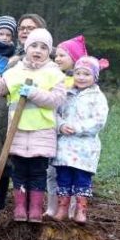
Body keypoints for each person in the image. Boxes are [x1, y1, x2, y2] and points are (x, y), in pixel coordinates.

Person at [0, 28, 66, 223]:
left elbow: (57, 99)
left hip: (41, 132)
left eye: (44, 47)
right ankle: (20, 207)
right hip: (17, 132)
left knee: (38, 172)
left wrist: (34, 93)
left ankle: (35, 208)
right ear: (26, 48)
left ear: (49, 52)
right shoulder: (14, 72)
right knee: (18, 171)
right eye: (34, 46)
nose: (38, 50)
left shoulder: (54, 73)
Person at [0, 13, 47, 212]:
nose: (24, 31)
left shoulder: (43, 57)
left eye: (30, 28)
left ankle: (29, 208)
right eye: (22, 28)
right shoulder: (7, 50)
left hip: (28, 118)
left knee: (24, 162)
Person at [51, 56, 110, 224]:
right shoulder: (66, 94)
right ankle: (62, 208)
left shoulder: (97, 97)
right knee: (63, 177)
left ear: (95, 77)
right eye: (78, 73)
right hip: (65, 146)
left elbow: (99, 120)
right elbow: (55, 113)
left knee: (82, 179)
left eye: (86, 74)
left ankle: (81, 210)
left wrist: (78, 127)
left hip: (85, 148)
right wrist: (61, 126)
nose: (81, 77)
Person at [46, 34, 85, 218]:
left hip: (73, 139)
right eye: (57, 55)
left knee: (72, 173)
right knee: (51, 172)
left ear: (75, 59)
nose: (58, 58)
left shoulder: (80, 84)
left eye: (63, 55)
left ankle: (71, 209)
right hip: (53, 133)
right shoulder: (52, 77)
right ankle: (52, 207)